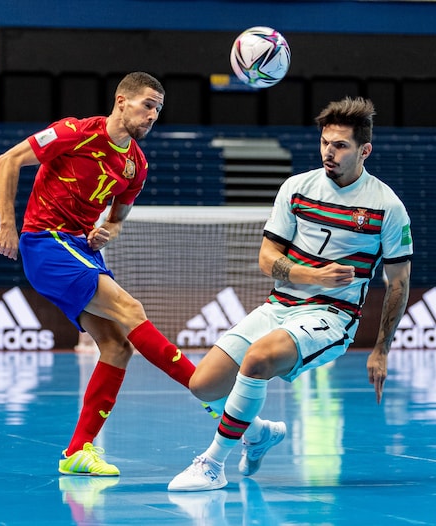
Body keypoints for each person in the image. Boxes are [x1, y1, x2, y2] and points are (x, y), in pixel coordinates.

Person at [168, 96, 414, 492]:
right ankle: (259, 432)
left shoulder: (387, 206)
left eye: (340, 145)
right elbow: (267, 258)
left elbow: (398, 282)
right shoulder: (297, 188)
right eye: (325, 142)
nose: (329, 152)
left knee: (258, 359)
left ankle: (212, 464)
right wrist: (312, 275)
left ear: (364, 151)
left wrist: (381, 349)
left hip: (332, 316)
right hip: (280, 305)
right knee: (204, 385)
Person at [0, 71, 198, 477]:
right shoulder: (74, 132)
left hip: (82, 249)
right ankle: (214, 396)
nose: (153, 116)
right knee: (130, 309)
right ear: (121, 101)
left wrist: (108, 230)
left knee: (117, 346)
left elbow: (118, 218)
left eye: (158, 110)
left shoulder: (136, 165)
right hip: (46, 241)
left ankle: (77, 452)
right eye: (147, 105)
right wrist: (6, 224)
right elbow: (8, 160)